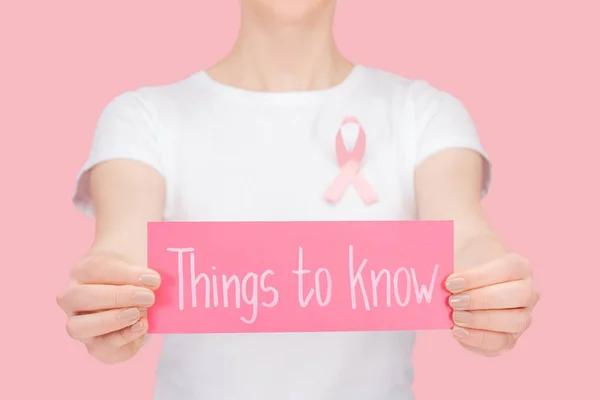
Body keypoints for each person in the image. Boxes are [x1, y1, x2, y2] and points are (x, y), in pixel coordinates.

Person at [56, 0, 540, 399]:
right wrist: (108, 301)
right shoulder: (143, 117)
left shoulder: (425, 113)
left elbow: (465, 237)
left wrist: (491, 287)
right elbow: (121, 248)